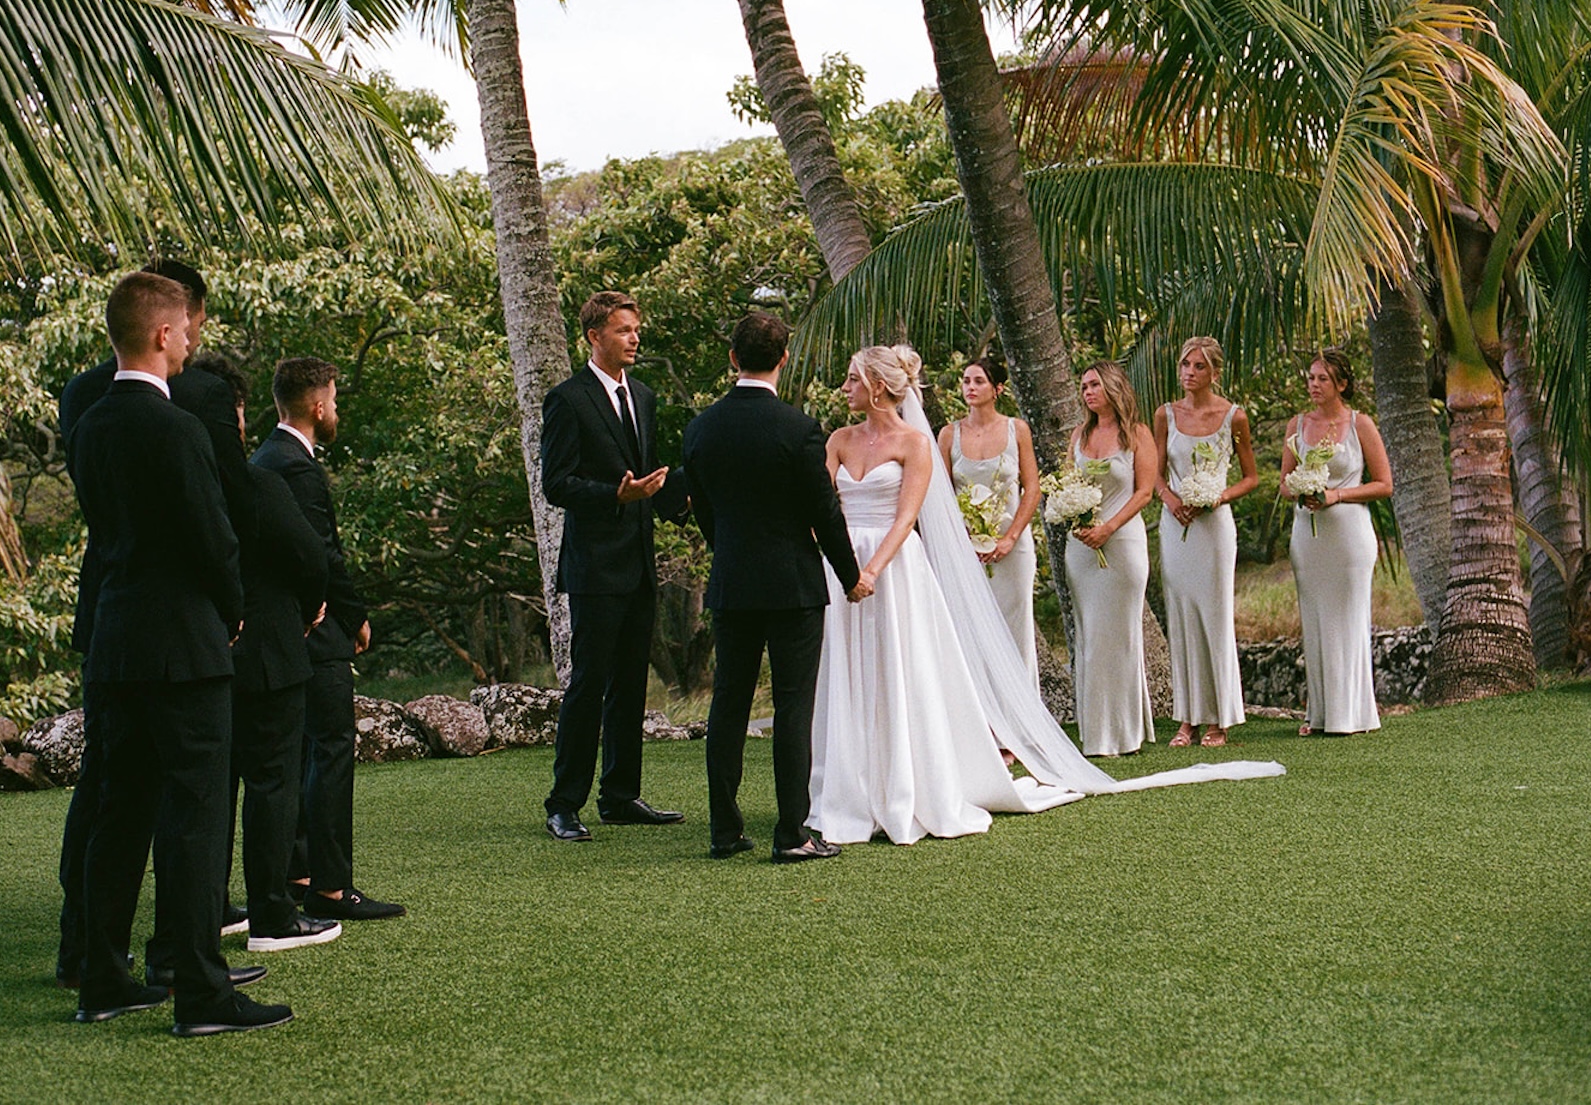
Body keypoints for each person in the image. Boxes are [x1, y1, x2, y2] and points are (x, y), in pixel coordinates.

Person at [814, 347, 1288, 842]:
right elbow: (822, 506)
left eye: (852, 380)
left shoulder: (921, 442)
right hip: (845, 565)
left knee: (917, 663)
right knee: (851, 670)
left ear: (879, 385)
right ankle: (854, 783)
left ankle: (932, 775)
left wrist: (873, 567)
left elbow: (914, 515)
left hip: (906, 567)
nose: (844, 388)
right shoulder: (845, 440)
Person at [67, 271, 290, 1036]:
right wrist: (231, 611)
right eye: (185, 329)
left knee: (118, 813)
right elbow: (212, 536)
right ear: (162, 334)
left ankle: (102, 977)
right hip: (185, 648)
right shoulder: (180, 428)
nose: (192, 338)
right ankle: (201, 991)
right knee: (194, 818)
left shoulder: (89, 425)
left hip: (115, 643)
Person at [682, 311, 863, 863]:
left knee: (728, 707)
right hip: (793, 586)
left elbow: (704, 512)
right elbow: (824, 513)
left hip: (733, 583)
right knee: (792, 707)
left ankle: (724, 830)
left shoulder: (701, 428)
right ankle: (792, 834)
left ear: (733, 359)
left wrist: (728, 552)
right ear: (783, 358)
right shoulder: (799, 428)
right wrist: (852, 576)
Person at [188, 356, 342, 955]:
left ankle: (211, 908)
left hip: (207, 654)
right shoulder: (259, 484)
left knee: (215, 787)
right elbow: (311, 560)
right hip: (272, 649)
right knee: (274, 783)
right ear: (237, 417)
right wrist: (310, 609)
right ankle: (272, 914)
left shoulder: (185, 487)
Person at [252, 358, 404, 920]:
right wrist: (353, 613)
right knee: (332, 750)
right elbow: (322, 554)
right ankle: (332, 886)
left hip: (284, 627)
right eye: (334, 401)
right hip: (314, 632)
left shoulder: (265, 458)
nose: (335, 410)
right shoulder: (298, 467)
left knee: (296, 753)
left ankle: (298, 870)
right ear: (317, 407)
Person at [538, 292, 688, 842]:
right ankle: (563, 803)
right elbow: (556, 483)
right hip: (595, 567)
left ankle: (621, 795)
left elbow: (648, 473)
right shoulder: (567, 400)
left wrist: (679, 502)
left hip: (640, 563)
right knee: (589, 684)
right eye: (624, 330)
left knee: (630, 683)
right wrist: (614, 496)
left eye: (636, 330)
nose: (635, 339)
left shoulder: (643, 396)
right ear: (594, 336)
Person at [1153, 337, 1259, 748]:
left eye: (1198, 366)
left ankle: (1219, 718)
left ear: (1214, 372)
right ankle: (1188, 719)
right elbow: (1155, 473)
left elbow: (1251, 477)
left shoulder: (1235, 417)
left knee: (1215, 616)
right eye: (1184, 365)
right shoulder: (1165, 415)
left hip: (1214, 528)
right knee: (1180, 618)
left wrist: (1217, 497)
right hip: (1175, 524)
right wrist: (1171, 500)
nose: (1189, 373)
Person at [1282, 348, 1394, 736]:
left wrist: (1336, 495)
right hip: (1308, 537)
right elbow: (1283, 482)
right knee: (1314, 619)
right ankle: (1321, 713)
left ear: (1341, 384)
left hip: (1348, 536)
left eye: (1322, 379)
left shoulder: (1361, 425)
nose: (1313, 384)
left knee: (1347, 618)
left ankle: (1353, 714)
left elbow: (1384, 484)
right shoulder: (1296, 425)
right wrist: (1301, 487)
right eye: (1311, 377)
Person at [1064, 361, 1159, 757]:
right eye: (1083, 386)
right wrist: (1075, 518)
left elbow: (1144, 492)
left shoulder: (1136, 433)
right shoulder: (1079, 435)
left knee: (1119, 636)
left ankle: (1125, 733)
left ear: (1114, 387)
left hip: (1123, 545)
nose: (1087, 392)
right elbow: (1068, 485)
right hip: (1082, 550)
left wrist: (1109, 527)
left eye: (1094, 385)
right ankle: (1095, 732)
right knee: (1091, 638)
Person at [939, 357, 1041, 680]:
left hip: (1013, 546)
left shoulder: (1017, 430)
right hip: (966, 549)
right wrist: (962, 539)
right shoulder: (948, 435)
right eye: (966, 381)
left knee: (1016, 626)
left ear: (997, 388)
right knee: (971, 628)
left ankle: (1023, 716)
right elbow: (941, 497)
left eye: (978, 381)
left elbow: (1032, 489)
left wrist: (1010, 537)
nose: (970, 387)